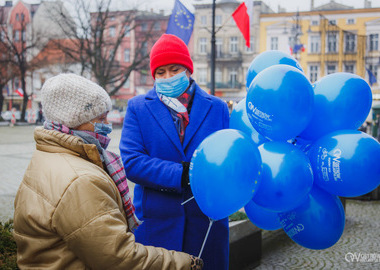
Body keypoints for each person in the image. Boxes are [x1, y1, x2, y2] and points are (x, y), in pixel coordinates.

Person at [13, 73, 203, 270]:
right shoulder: (81, 181)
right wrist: (183, 263)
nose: (107, 125)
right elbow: (118, 258)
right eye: (101, 118)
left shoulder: (47, 155)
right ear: (74, 120)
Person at [119, 34, 230, 270]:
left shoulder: (217, 107)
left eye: (174, 69)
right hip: (158, 227)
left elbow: (230, 155)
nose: (168, 77)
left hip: (207, 225)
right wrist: (182, 174)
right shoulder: (138, 107)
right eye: (161, 72)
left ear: (188, 70)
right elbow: (132, 162)